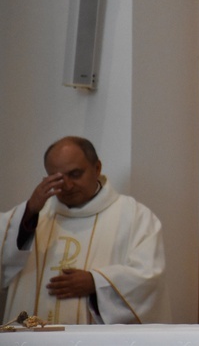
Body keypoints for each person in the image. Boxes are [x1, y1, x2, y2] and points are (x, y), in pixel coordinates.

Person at [0, 136, 171, 324]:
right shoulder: (31, 216)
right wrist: (29, 212)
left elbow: (149, 278)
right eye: (57, 178)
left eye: (75, 174)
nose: (67, 186)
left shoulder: (134, 216)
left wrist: (97, 283)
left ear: (97, 168)